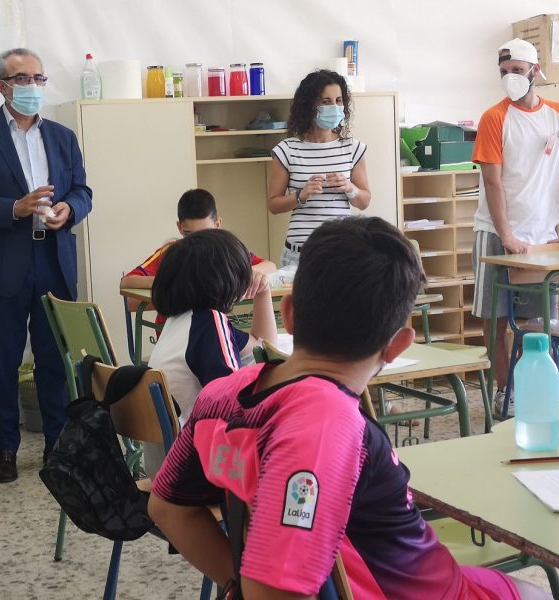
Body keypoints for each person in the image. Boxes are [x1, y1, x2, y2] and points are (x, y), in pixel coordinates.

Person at [149, 216, 550, 599]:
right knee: (535, 591)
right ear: (397, 345)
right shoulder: (325, 427)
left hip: (397, 580)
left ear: (289, 314)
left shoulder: (219, 397)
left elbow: (167, 507)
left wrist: (234, 583)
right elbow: (273, 590)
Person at [0, 48, 92, 483]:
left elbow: (83, 191)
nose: (33, 86)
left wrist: (70, 208)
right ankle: (5, 449)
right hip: (3, 264)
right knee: (5, 360)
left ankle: (56, 445)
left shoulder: (63, 137)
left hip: (53, 260)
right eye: (22, 78)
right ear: (2, 85)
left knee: (54, 360)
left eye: (38, 78)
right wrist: (15, 208)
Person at [472, 38, 559, 418]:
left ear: (535, 71)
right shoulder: (494, 118)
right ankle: (504, 391)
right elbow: (492, 182)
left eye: (517, 71)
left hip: (542, 237)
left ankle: (532, 385)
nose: (510, 78)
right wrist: (506, 234)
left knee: (538, 322)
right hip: (495, 232)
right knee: (495, 318)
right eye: (503, 72)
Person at [143, 228, 277, 477]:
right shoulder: (209, 324)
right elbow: (235, 406)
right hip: (192, 470)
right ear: (224, 279)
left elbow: (261, 345)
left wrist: (263, 292)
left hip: (165, 467)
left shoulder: (182, 322)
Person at [266, 69, 371, 267]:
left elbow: (364, 201)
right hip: (299, 254)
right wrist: (300, 195)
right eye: (326, 101)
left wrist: (349, 188)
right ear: (309, 106)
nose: (335, 107)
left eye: (338, 100)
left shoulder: (353, 148)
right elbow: (273, 205)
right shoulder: (287, 150)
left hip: (342, 251)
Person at [119, 188, 275, 304]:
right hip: (175, 331)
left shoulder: (225, 251)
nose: (198, 242)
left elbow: (270, 265)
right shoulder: (172, 252)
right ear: (179, 227)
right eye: (190, 235)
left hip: (213, 325)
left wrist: (251, 272)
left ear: (217, 224)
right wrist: (170, 282)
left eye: (205, 234)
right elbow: (127, 281)